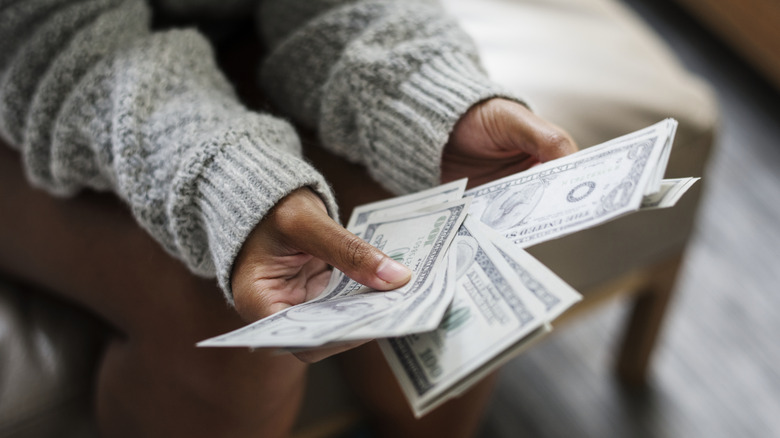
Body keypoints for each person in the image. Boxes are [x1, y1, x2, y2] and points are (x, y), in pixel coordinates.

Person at [0, 0, 576, 436]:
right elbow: (49, 36)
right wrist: (229, 179)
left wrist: (428, 95)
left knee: (442, 239)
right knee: (232, 333)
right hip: (32, 67)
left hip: (239, 32)